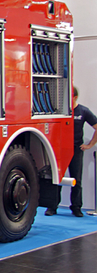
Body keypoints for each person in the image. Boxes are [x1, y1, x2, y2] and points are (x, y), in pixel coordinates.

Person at [46, 86, 97, 217]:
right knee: (56, 179)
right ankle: (52, 206)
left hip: (76, 150)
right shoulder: (59, 111)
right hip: (59, 150)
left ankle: (76, 207)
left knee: (76, 180)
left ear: (75, 97)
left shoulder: (83, 111)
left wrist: (90, 144)